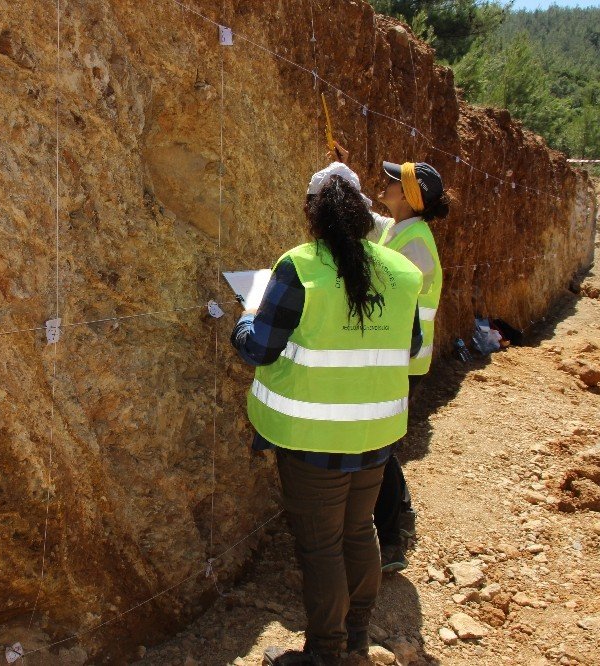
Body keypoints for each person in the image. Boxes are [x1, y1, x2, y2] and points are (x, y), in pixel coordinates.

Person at [232, 164, 422, 665]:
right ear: (362, 211)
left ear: (313, 212)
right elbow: (413, 342)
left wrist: (245, 318)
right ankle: (356, 637)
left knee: (320, 547)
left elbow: (260, 349)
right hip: (376, 434)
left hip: (311, 439)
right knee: (358, 531)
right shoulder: (403, 272)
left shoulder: (299, 267)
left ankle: (325, 653)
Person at [331, 145, 449, 573]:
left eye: (392, 180)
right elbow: (369, 219)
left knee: (378, 446)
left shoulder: (414, 246)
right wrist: (342, 177)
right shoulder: (400, 230)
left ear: (408, 195)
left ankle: (395, 532)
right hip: (396, 357)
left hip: (404, 360)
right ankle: (397, 523)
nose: (385, 182)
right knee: (378, 443)